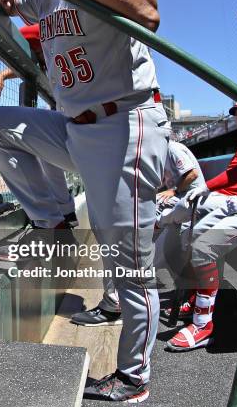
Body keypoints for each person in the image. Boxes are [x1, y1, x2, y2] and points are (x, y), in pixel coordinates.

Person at [0, 0, 170, 402]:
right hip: (78, 130)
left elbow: (147, 8)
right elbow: (15, 3)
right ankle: (54, 219)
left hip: (123, 124)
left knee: (129, 263)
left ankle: (134, 378)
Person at [71, 139, 204, 326]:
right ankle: (121, 300)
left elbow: (192, 174)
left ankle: (115, 306)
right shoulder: (158, 148)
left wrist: (172, 191)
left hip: (188, 204)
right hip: (180, 206)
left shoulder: (170, 147)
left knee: (123, 243)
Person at [0, 24, 77, 246]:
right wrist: (3, 74)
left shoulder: (58, 26)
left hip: (88, 138)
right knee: (45, 141)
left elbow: (30, 34)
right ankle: (66, 216)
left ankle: (50, 226)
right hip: (120, 135)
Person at [166, 103, 237, 350]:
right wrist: (207, 187)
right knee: (195, 234)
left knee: (201, 246)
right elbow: (235, 173)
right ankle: (200, 294)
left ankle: (203, 323)